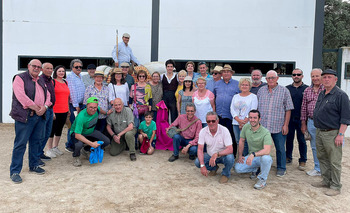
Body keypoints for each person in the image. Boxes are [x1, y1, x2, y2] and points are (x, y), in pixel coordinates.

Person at [9, 59, 52, 183]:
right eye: (34, 66)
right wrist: (36, 107)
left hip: (39, 116)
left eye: (39, 67)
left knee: (36, 142)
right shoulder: (20, 78)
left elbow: (48, 95)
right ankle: (15, 171)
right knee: (20, 144)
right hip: (26, 116)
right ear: (28, 66)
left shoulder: (41, 80)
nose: (37, 68)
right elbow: (21, 96)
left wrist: (45, 107)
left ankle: (34, 165)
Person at [311, 69, 350, 196]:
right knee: (322, 157)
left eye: (329, 77)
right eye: (325, 77)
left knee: (334, 160)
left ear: (335, 79)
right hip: (320, 132)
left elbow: (345, 117)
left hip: (332, 133)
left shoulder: (341, 95)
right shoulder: (322, 93)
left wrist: (341, 134)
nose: (326, 79)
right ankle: (326, 180)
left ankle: (335, 186)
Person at [257, 70, 294, 177]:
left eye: (273, 78)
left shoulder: (284, 91)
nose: (270, 80)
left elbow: (288, 109)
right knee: (260, 148)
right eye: (268, 78)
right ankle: (260, 167)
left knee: (280, 148)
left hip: (278, 126)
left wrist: (286, 125)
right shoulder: (261, 91)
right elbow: (257, 108)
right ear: (266, 79)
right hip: (263, 126)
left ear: (277, 78)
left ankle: (281, 168)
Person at [234, 110, 273, 190]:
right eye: (250, 117)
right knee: (238, 168)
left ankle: (262, 180)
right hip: (252, 157)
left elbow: (267, 150)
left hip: (262, 156)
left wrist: (253, 154)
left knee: (266, 158)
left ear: (259, 119)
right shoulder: (246, 127)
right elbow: (241, 140)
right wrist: (240, 155)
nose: (252, 120)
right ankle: (256, 169)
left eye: (255, 118)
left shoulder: (266, 132)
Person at [195, 111, 235, 184]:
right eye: (208, 121)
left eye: (213, 121)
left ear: (217, 121)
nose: (211, 123)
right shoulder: (203, 131)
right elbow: (200, 149)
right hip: (210, 155)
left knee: (230, 158)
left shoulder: (224, 130)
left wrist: (217, 154)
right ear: (206, 122)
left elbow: (230, 149)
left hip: (223, 156)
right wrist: (202, 165)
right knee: (198, 162)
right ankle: (213, 168)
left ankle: (225, 174)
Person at [70, 97, 110, 167]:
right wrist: (92, 144)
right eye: (90, 107)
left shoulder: (97, 109)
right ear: (87, 106)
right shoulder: (81, 116)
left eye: (95, 107)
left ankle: (86, 150)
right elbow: (77, 135)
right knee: (79, 144)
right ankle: (76, 156)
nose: (93, 109)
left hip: (91, 131)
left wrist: (107, 113)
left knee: (106, 141)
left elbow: (102, 111)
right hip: (78, 133)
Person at [301, 68, 324, 176]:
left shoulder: (327, 89)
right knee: (314, 146)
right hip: (311, 122)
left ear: (322, 76)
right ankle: (318, 168)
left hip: (325, 123)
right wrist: (303, 123)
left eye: (317, 76)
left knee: (325, 146)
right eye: (313, 76)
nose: (315, 78)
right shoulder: (307, 90)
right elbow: (304, 108)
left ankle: (326, 170)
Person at [213, 64, 239, 155]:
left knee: (231, 136)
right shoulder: (217, 84)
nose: (226, 73)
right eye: (224, 72)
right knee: (219, 136)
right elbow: (213, 98)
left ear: (231, 73)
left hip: (231, 116)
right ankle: (220, 153)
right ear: (222, 74)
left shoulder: (237, 84)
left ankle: (232, 154)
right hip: (219, 115)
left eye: (228, 72)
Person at [286, 68, 309, 170]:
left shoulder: (307, 89)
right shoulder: (287, 89)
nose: (296, 76)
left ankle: (303, 160)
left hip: (302, 119)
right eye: (294, 74)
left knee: (302, 140)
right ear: (292, 76)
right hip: (289, 119)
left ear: (302, 76)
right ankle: (288, 157)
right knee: (289, 139)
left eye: (298, 74)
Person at [46, 65, 70, 158]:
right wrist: (52, 111)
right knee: (51, 130)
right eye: (59, 71)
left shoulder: (65, 82)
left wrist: (68, 109)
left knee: (59, 129)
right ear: (55, 72)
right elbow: (49, 97)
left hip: (64, 110)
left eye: (63, 71)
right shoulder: (52, 82)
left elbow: (67, 97)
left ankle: (55, 147)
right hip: (55, 110)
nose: (61, 73)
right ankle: (49, 149)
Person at [230, 78, 258, 156]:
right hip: (236, 123)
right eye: (242, 84)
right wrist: (238, 120)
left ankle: (246, 158)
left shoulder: (253, 97)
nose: (244, 86)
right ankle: (240, 157)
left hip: (248, 123)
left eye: (246, 85)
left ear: (249, 86)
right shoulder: (235, 96)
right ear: (240, 86)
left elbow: (253, 109)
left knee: (246, 141)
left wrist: (244, 121)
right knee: (238, 141)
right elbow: (232, 108)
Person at [65, 59, 85, 152]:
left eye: (80, 67)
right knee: (73, 125)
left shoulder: (80, 76)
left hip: (80, 105)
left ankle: (75, 143)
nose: (78, 68)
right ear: (72, 67)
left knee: (78, 125)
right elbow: (72, 92)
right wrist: (76, 105)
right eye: (76, 67)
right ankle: (70, 145)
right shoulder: (70, 77)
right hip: (74, 105)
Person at [37, 62, 56, 165]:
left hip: (50, 109)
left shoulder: (50, 80)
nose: (49, 70)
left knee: (47, 133)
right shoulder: (40, 80)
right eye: (47, 68)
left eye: (51, 68)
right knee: (41, 134)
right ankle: (36, 156)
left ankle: (40, 153)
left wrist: (52, 111)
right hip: (44, 110)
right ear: (42, 69)